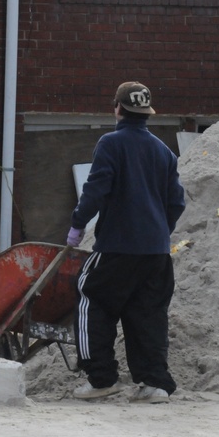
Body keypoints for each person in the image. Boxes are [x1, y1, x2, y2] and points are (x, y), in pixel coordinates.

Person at [65, 81, 185, 404]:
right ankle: (155, 384)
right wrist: (160, 229)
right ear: (147, 113)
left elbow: (95, 190)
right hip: (157, 253)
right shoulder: (165, 152)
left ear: (117, 108)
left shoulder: (110, 144)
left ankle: (102, 378)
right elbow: (177, 203)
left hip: (117, 247)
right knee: (147, 313)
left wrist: (77, 225)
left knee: (90, 295)